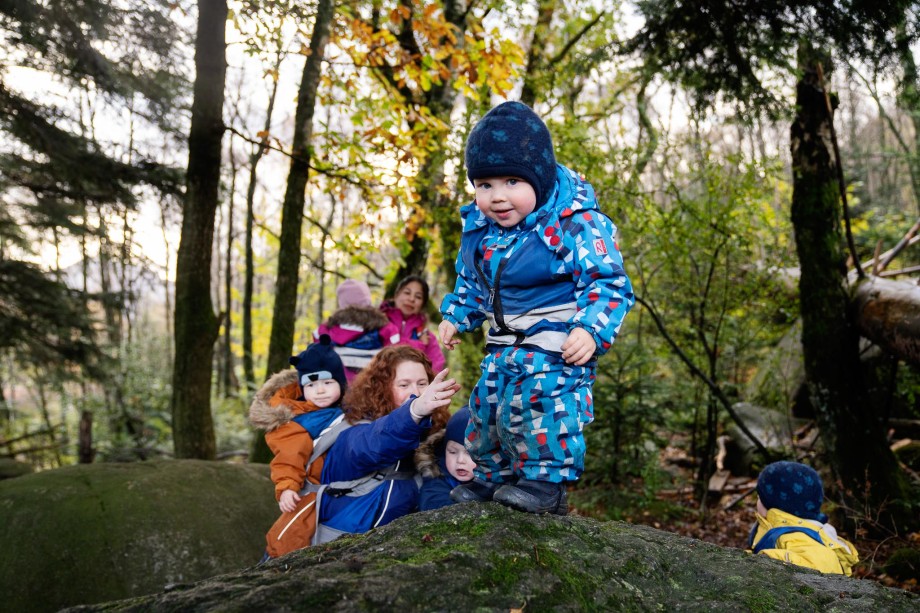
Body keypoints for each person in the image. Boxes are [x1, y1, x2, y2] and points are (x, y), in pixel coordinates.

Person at [438, 101, 635, 515]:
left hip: (555, 345)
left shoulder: (573, 223)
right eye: (485, 184)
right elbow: (474, 282)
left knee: (543, 406)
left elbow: (609, 282)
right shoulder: (480, 229)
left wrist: (591, 329)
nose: (497, 197)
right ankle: (492, 478)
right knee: (488, 406)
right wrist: (457, 314)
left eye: (512, 181)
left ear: (539, 178)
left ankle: (546, 484)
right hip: (503, 343)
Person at [314, 345, 458, 542]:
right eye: (404, 385)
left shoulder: (433, 433)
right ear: (381, 388)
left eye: (422, 383)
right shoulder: (353, 431)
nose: (415, 392)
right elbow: (374, 444)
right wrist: (413, 412)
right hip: (333, 546)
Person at [248, 334, 348, 558]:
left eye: (328, 383)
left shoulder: (347, 408)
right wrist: (286, 488)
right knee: (288, 538)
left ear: (341, 383)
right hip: (308, 490)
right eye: (312, 385)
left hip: (337, 487)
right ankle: (270, 567)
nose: (320, 390)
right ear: (302, 388)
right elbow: (288, 457)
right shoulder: (297, 421)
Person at [747, 461, 859, 575]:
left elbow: (823, 565)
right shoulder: (777, 524)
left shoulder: (798, 537)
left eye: (760, 497)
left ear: (774, 505)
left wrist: (768, 560)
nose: (757, 501)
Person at [315, 279, 400, 382]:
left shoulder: (327, 329)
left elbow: (318, 352)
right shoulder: (385, 328)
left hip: (338, 385)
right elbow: (396, 352)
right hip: (373, 384)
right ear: (367, 301)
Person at [380, 275, 446, 372]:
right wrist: (419, 345)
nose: (411, 299)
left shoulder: (427, 337)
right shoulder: (377, 324)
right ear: (396, 295)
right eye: (407, 293)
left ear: (422, 304)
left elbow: (436, 368)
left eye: (418, 296)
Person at [415, 406, 475, 511]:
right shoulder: (436, 479)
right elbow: (434, 507)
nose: (460, 460)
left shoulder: (501, 479)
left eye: (470, 453)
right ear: (444, 450)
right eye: (452, 452)